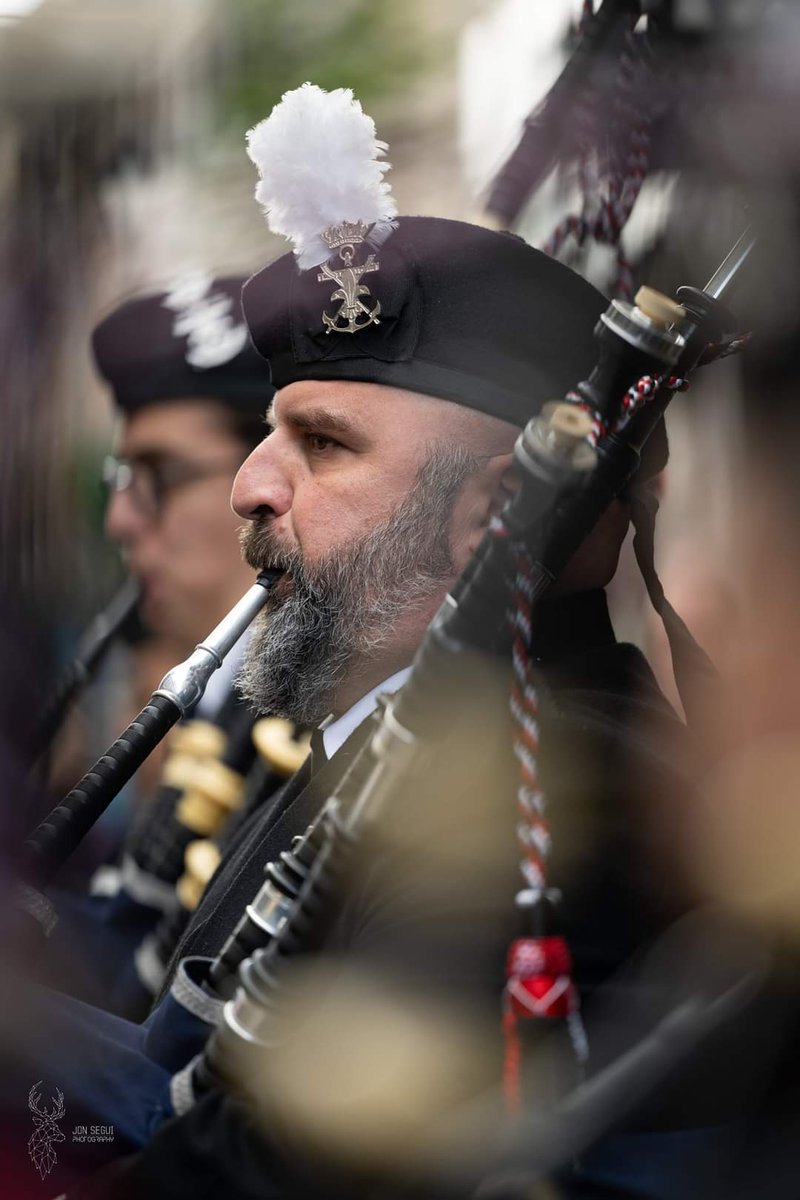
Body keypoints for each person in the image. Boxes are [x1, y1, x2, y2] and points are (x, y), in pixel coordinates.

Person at [35, 86, 712, 1200]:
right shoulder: (386, 742)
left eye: (321, 443)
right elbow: (186, 1085)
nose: (253, 486)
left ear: (500, 516)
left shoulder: (549, 802)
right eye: (267, 434)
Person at [39, 273, 277, 1015]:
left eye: (158, 475)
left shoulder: (290, 708)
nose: (120, 521)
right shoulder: (225, 692)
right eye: (123, 475)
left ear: (265, 474)